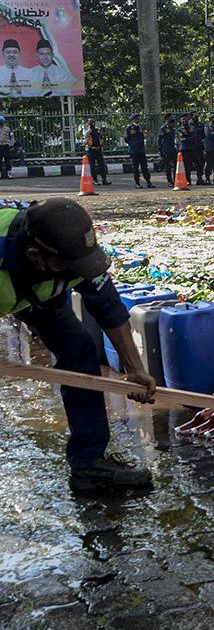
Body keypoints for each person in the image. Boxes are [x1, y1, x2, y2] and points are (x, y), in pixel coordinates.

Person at [0, 197, 156, 492]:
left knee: (80, 351)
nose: (80, 270)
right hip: (11, 287)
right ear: (35, 255)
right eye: (70, 265)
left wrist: (135, 368)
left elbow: (108, 306)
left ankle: (89, 464)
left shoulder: (74, 257)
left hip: (41, 297)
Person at [123, 114, 154, 188]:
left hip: (141, 151)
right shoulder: (129, 129)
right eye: (135, 119)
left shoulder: (140, 128)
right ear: (132, 120)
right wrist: (133, 144)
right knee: (135, 168)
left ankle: (148, 182)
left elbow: (143, 137)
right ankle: (137, 183)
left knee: (144, 167)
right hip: (134, 151)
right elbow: (126, 138)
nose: (137, 120)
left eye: (137, 119)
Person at [180, 116, 205, 185]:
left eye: (185, 119)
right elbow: (182, 138)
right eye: (183, 119)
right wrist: (188, 138)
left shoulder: (192, 128)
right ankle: (188, 180)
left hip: (193, 148)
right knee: (187, 166)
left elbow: (194, 137)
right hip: (185, 149)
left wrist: (187, 138)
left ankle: (200, 179)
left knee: (199, 164)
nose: (184, 121)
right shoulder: (180, 129)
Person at [84, 120, 110, 185]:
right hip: (91, 150)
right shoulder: (87, 131)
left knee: (102, 165)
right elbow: (86, 141)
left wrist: (100, 144)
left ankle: (104, 179)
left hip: (98, 150)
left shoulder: (97, 130)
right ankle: (95, 180)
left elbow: (101, 138)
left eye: (92, 123)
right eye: (91, 123)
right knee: (92, 166)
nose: (92, 124)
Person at [158, 114, 178, 186]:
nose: (172, 118)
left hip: (172, 149)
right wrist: (160, 150)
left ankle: (175, 179)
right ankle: (170, 181)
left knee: (176, 165)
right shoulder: (163, 128)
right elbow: (159, 140)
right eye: (170, 117)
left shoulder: (172, 127)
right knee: (168, 166)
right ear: (167, 119)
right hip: (166, 149)